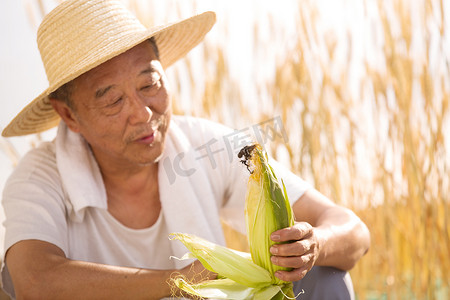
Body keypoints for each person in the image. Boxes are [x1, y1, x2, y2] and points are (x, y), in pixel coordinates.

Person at [0, 0, 370, 299]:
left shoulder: (207, 146)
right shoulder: (39, 176)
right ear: (69, 115)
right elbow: (35, 280)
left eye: (150, 84)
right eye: (112, 100)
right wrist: (181, 280)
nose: (143, 113)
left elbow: (354, 232)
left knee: (325, 278)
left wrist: (313, 245)